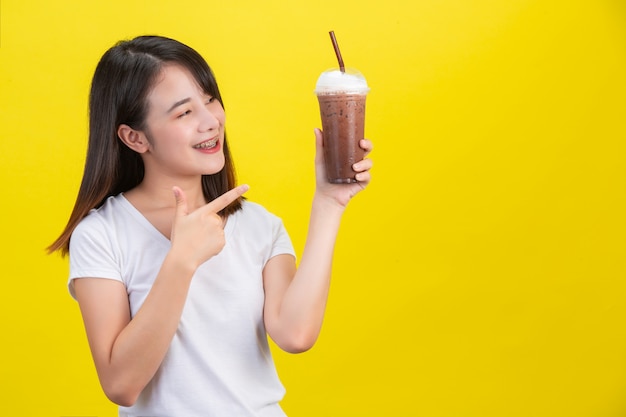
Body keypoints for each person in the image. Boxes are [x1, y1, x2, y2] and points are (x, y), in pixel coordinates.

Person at [48, 35, 373, 417]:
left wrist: (329, 203)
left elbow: (295, 334)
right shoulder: (102, 234)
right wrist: (180, 261)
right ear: (134, 137)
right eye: (184, 113)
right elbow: (121, 385)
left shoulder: (258, 226)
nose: (210, 121)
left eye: (210, 100)